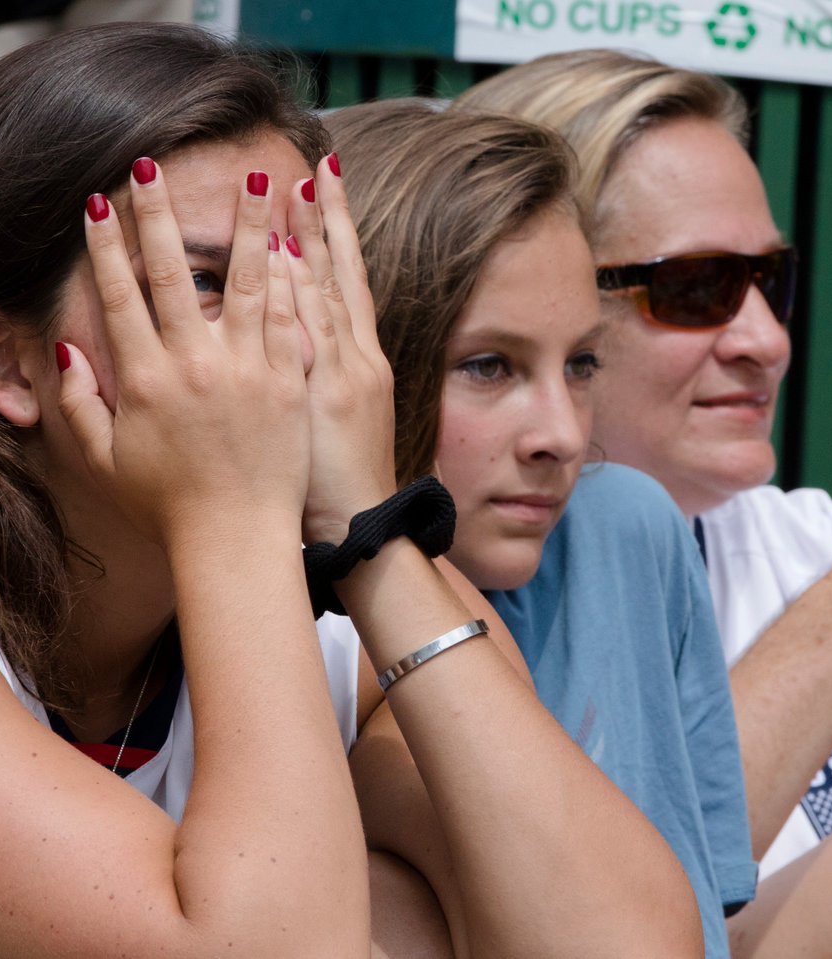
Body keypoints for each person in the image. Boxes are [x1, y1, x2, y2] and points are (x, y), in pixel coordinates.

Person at [0, 24, 689, 958]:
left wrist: (370, 533)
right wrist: (234, 510)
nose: (283, 339)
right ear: (8, 362)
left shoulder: (341, 605)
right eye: (207, 281)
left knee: (404, 909)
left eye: (312, 280)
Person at [457, 49, 832, 956]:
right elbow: (614, 909)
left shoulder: (812, 539)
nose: (766, 340)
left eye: (769, 280)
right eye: (698, 288)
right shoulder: (437, 585)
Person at [326, 97, 756, 959]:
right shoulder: (276, 616)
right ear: (350, 360)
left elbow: (700, 918)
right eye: (489, 366)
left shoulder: (622, 531)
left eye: (582, 363)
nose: (561, 435)